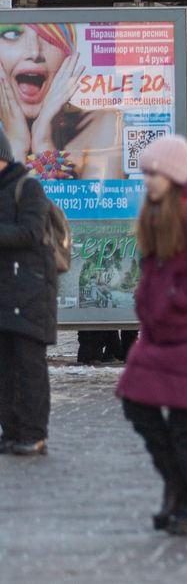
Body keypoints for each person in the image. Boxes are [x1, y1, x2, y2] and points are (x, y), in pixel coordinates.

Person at [117, 135, 187, 535]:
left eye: (154, 173)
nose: (147, 180)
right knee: (136, 403)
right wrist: (148, 303)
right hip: (161, 335)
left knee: (186, 422)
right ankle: (178, 490)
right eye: (146, 173)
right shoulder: (157, 213)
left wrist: (175, 300)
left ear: (174, 175)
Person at [0, 22, 123, 180]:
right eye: (12, 35)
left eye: (49, 38)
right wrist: (15, 145)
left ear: (68, 55)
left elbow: (103, 203)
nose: (34, 52)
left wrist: (44, 145)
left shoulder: (103, 124)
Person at [0, 126, 57, 457]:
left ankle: (34, 434)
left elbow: (32, 232)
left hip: (31, 290)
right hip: (5, 291)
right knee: (5, 367)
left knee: (28, 365)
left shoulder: (28, 187)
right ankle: (11, 431)